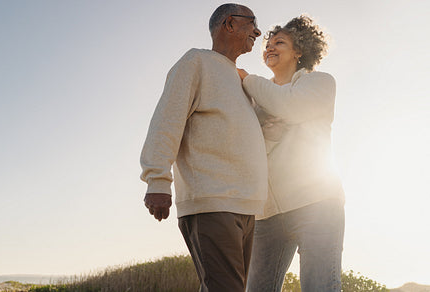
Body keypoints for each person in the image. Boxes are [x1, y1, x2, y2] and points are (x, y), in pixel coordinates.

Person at [140, 4, 267, 291]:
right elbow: (166, 120)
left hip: (246, 207)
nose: (258, 32)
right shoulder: (196, 62)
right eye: (252, 23)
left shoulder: (242, 79)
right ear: (230, 24)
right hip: (212, 201)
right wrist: (157, 180)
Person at [237, 15, 345, 292]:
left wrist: (249, 80)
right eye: (268, 44)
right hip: (267, 213)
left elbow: (291, 107)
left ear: (299, 51)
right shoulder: (258, 98)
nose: (270, 48)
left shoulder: (320, 82)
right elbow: (252, 148)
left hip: (317, 203)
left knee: (320, 287)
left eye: (279, 43)